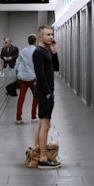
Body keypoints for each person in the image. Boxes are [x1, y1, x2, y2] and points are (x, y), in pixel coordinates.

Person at [32, 25, 61, 168]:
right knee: (46, 125)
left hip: (47, 91)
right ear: (40, 36)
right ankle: (43, 158)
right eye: (48, 34)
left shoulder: (47, 50)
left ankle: (37, 150)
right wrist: (47, 93)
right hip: (45, 92)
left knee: (41, 122)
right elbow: (40, 74)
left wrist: (54, 52)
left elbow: (56, 68)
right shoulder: (38, 52)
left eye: (52, 34)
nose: (51, 37)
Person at [15, 34, 39, 124]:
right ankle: (33, 117)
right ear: (35, 41)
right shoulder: (37, 51)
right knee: (36, 97)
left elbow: (17, 63)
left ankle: (18, 118)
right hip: (33, 78)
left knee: (21, 98)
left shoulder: (23, 51)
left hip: (23, 78)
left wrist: (18, 73)